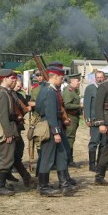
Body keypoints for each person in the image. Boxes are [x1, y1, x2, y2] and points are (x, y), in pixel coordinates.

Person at [35, 65, 73, 196]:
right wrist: (56, 131)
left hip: (52, 124)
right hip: (51, 125)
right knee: (47, 156)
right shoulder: (50, 92)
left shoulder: (44, 89)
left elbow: (39, 107)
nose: (62, 80)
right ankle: (43, 187)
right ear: (55, 77)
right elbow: (50, 112)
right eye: (61, 78)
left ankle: (64, 184)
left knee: (61, 155)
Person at [0, 69, 21, 196]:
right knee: (5, 158)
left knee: (8, 156)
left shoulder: (5, 92)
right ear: (4, 79)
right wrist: (8, 133)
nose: (13, 80)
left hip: (8, 126)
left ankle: (1, 184)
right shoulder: (2, 93)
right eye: (11, 78)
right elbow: (3, 115)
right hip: (5, 128)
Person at [83, 70, 107, 171]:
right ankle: (92, 165)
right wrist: (87, 118)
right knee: (94, 142)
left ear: (104, 78)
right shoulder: (90, 88)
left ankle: (100, 164)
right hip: (94, 119)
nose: (100, 79)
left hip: (105, 119)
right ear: (95, 78)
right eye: (98, 77)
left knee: (104, 143)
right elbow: (86, 104)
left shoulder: (106, 88)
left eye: (101, 77)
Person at [63, 73, 83, 166]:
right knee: (69, 139)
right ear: (71, 81)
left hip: (74, 117)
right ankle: (68, 160)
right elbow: (67, 105)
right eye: (77, 80)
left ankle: (68, 159)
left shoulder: (73, 90)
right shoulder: (69, 90)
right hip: (70, 117)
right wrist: (79, 105)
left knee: (71, 138)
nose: (79, 82)